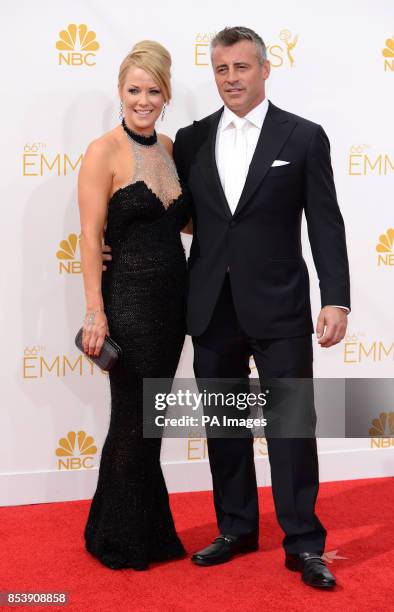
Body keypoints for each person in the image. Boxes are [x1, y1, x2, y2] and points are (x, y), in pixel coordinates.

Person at [172, 27, 350, 588]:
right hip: (211, 307)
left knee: (291, 428)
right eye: (222, 70)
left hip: (280, 307)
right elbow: (177, 216)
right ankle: (237, 527)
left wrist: (337, 298)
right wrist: (114, 241)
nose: (231, 79)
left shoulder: (302, 137)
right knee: (225, 426)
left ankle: (304, 543)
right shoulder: (191, 139)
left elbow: (325, 221)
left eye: (241, 68)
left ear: (265, 69)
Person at [78, 40, 190, 570]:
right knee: (132, 417)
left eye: (153, 90)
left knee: (151, 417)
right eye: (133, 90)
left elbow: (184, 221)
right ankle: (116, 539)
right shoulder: (103, 151)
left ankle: (143, 529)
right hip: (128, 301)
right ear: (119, 91)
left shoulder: (169, 146)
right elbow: (87, 235)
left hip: (174, 305)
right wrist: (95, 312)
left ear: (165, 94)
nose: (142, 99)